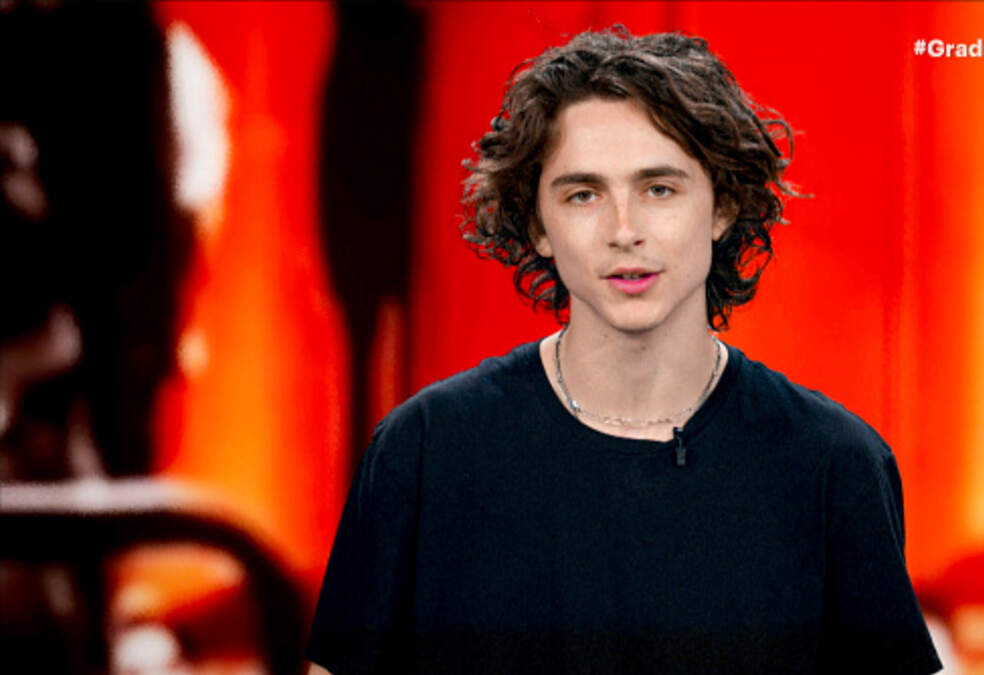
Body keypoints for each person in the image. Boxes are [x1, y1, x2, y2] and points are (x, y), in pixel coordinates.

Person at [307, 27, 941, 674]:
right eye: (584, 194)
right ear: (538, 224)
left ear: (722, 206)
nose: (624, 230)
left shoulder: (833, 463)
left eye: (658, 189)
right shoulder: (425, 450)